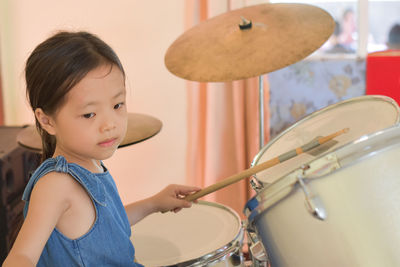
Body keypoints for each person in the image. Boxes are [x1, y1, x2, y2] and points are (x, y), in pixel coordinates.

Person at [2, 31, 200, 266]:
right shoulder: (55, 185)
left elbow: (105, 231)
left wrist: (154, 203)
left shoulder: (91, 164)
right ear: (47, 121)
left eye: (117, 105)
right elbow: (21, 256)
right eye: (89, 114)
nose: (110, 124)